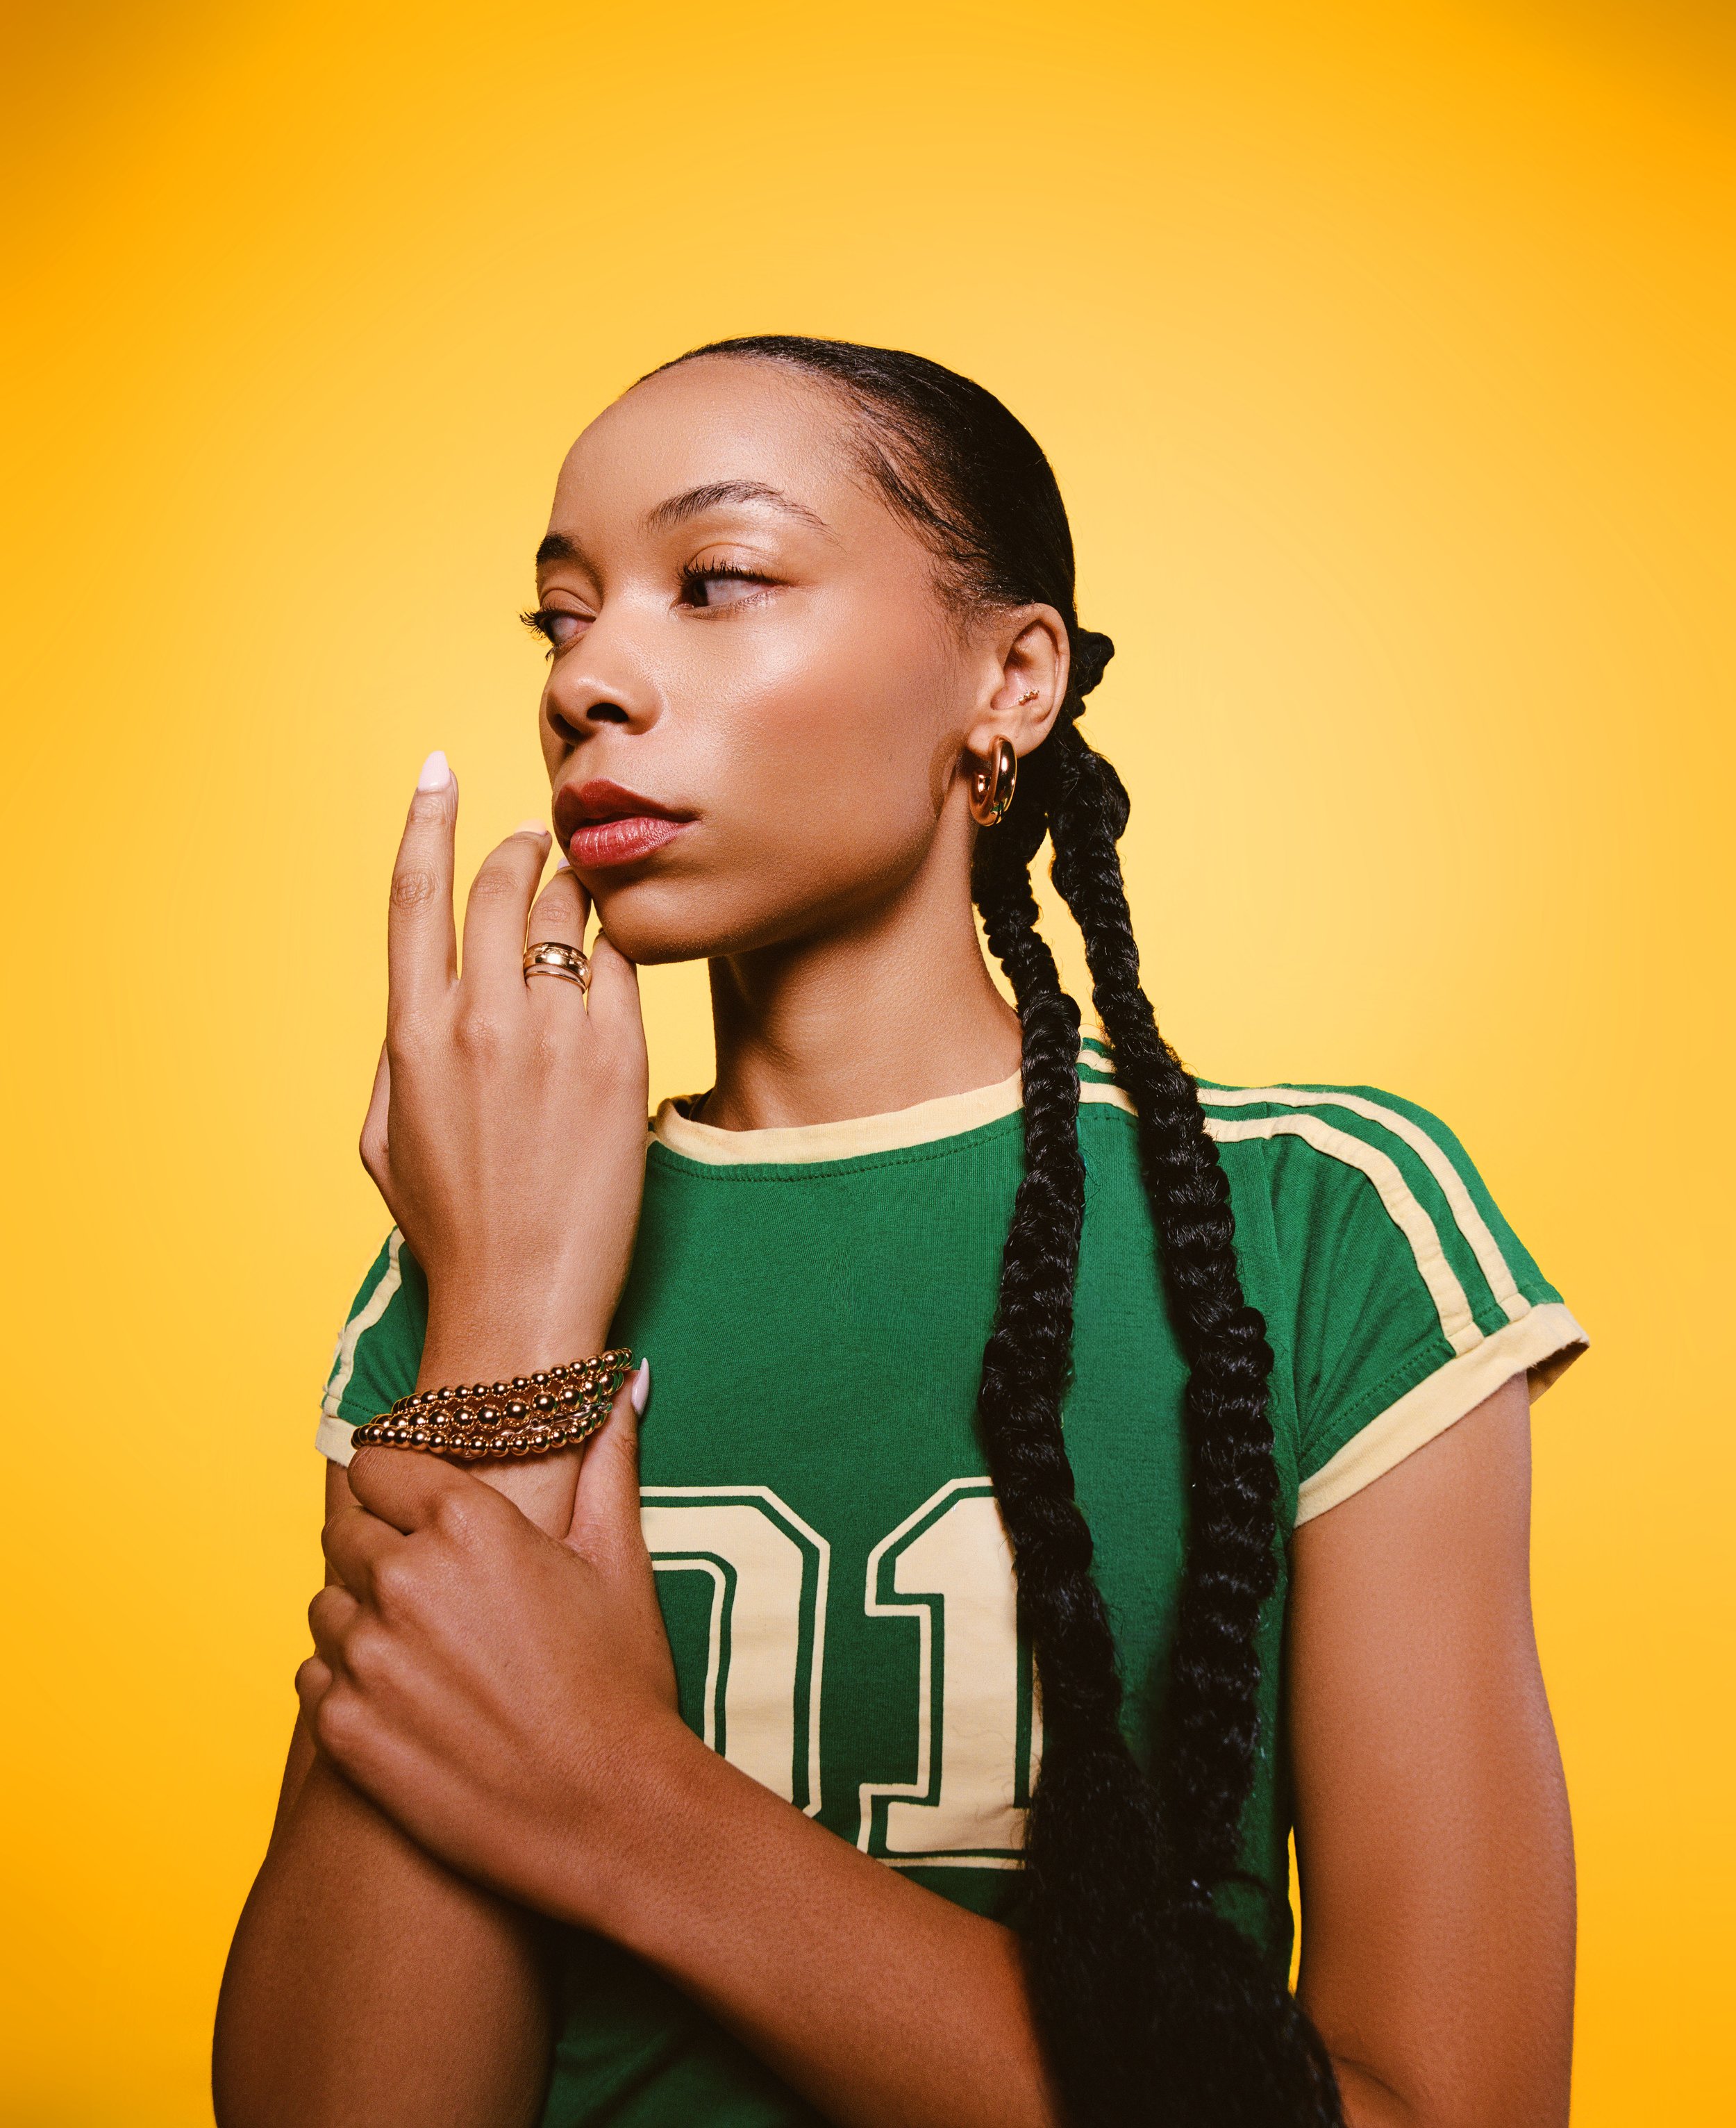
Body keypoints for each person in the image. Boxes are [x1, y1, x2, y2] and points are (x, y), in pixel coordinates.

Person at [213, 338, 1583, 2128]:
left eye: (720, 578)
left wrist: (630, 1803)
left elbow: (1451, 2107)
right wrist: (511, 1312)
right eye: (561, 617)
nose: (586, 682)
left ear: (1011, 679)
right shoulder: (473, 1243)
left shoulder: (1317, 1220)